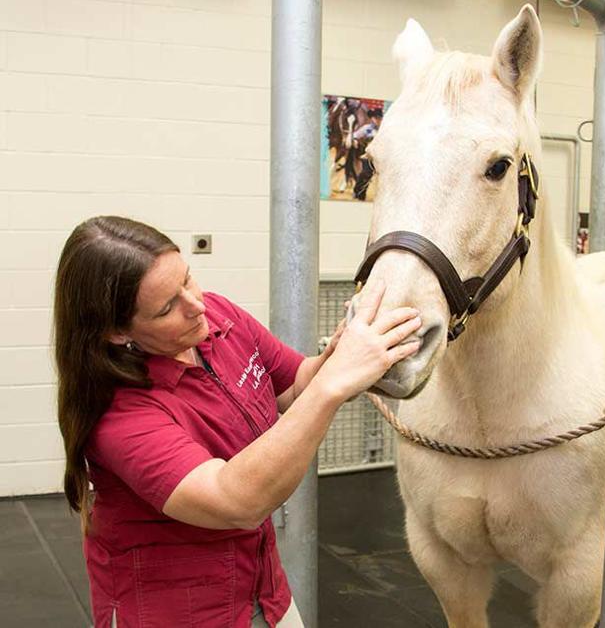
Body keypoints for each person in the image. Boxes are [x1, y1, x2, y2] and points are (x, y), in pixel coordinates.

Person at [53, 216, 422, 628]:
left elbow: (297, 386)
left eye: (187, 280)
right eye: (167, 307)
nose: (196, 305)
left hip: (263, 585)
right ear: (119, 333)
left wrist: (342, 354)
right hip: (181, 613)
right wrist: (332, 385)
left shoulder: (218, 317)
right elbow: (236, 502)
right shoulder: (119, 414)